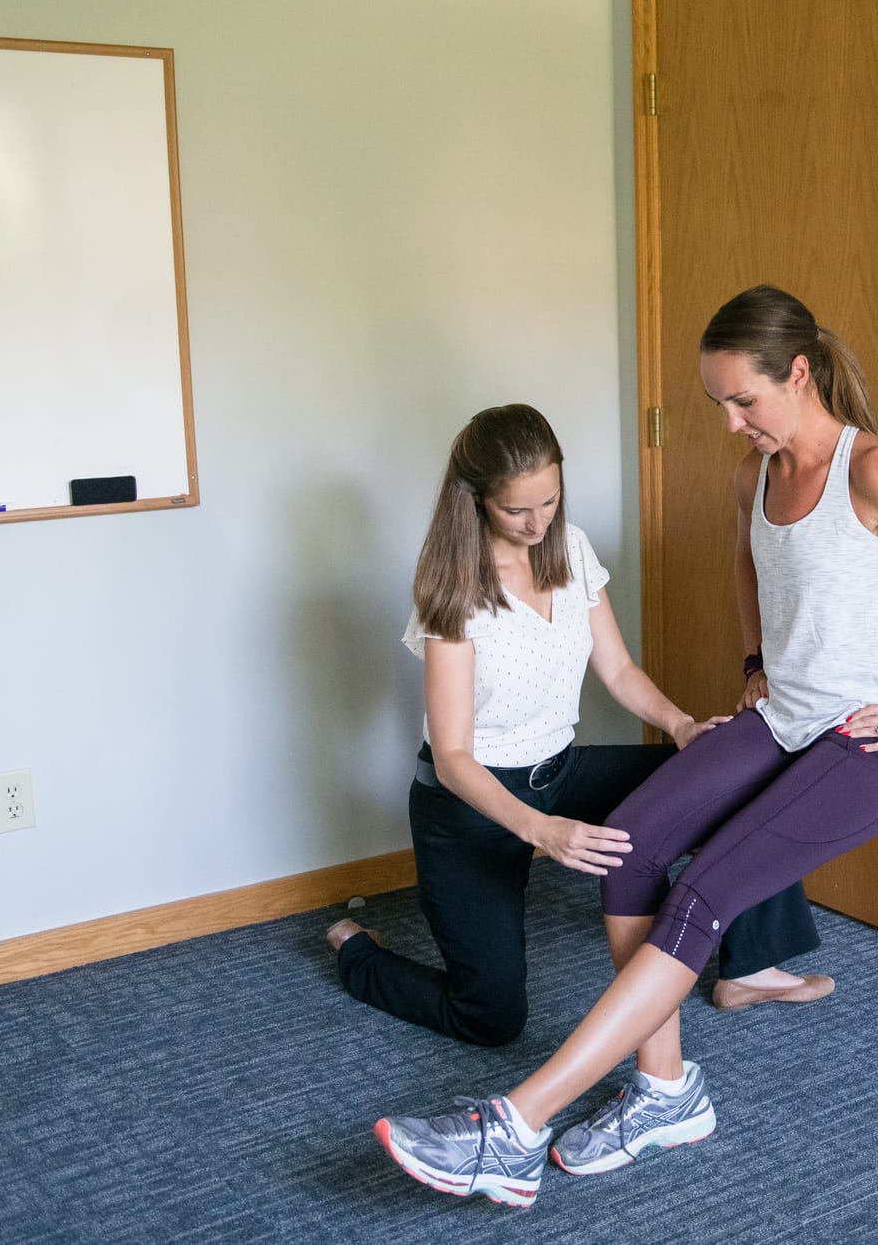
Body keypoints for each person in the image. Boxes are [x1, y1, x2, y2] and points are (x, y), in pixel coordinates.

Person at [373, 287, 878, 1206]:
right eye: (720, 403)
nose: (731, 423)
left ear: (797, 374)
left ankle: (515, 1126)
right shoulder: (753, 476)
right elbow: (748, 561)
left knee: (700, 896)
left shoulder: (873, 471)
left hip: (862, 746)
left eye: (743, 401)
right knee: (631, 848)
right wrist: (757, 661)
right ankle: (665, 1093)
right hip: (782, 718)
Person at [330, 403, 832, 1050]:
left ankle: (749, 968)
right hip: (471, 807)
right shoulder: (453, 591)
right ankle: (355, 949)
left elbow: (617, 670)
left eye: (550, 501)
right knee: (490, 1018)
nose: (538, 522)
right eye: (517, 510)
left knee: (741, 772)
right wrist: (543, 831)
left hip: (561, 771)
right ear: (477, 500)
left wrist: (681, 726)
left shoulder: (569, 548)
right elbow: (453, 757)